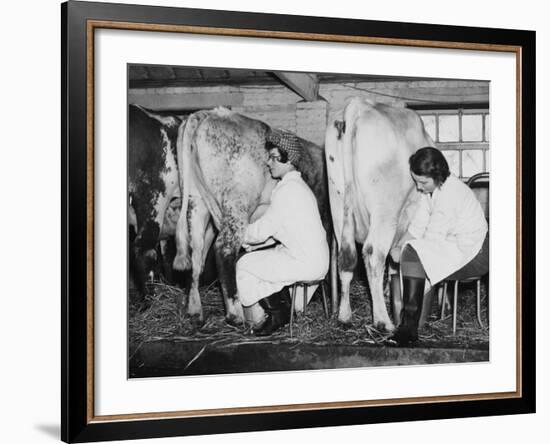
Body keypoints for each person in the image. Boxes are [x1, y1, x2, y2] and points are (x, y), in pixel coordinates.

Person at [389, 147, 489, 345]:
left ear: (437, 174)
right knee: (410, 251)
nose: (419, 187)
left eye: (423, 182)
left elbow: (431, 239)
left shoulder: (451, 194)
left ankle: (408, 328)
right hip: (455, 247)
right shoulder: (431, 192)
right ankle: (410, 326)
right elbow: (417, 227)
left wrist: (404, 251)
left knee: (413, 254)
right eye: (416, 181)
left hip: (477, 253)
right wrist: (397, 245)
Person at [236, 130, 329, 336]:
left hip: (305, 263)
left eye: (275, 158)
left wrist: (240, 234)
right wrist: (254, 244)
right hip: (313, 259)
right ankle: (285, 308)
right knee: (262, 257)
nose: (269, 163)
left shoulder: (288, 191)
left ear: (289, 160)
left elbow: (262, 230)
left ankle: (277, 313)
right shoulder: (297, 186)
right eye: (270, 157)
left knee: (244, 265)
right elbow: (278, 230)